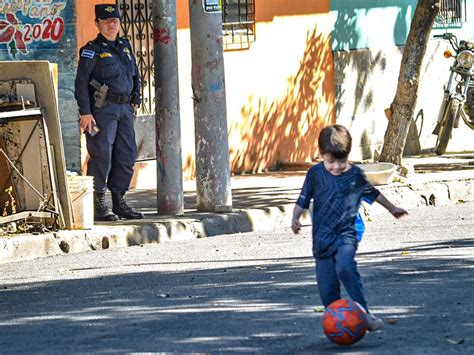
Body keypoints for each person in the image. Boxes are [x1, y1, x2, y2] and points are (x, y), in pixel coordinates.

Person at [291, 124, 408, 331]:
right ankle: (337, 322)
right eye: (330, 161)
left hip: (346, 233)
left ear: (348, 155)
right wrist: (295, 218)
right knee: (327, 288)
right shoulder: (315, 174)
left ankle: (364, 313)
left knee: (345, 266)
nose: (336, 167)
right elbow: (303, 198)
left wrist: (392, 208)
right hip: (322, 239)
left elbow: (373, 193)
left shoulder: (354, 175)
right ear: (321, 154)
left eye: (341, 161)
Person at [75, 4, 143, 221]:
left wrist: (136, 98)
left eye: (115, 20)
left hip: (125, 109)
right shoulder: (91, 49)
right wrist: (85, 113)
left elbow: (135, 75)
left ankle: (119, 201)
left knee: (126, 154)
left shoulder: (124, 46)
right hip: (102, 110)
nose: (112, 24)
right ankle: (99, 203)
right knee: (102, 154)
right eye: (106, 21)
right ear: (97, 24)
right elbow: (81, 82)